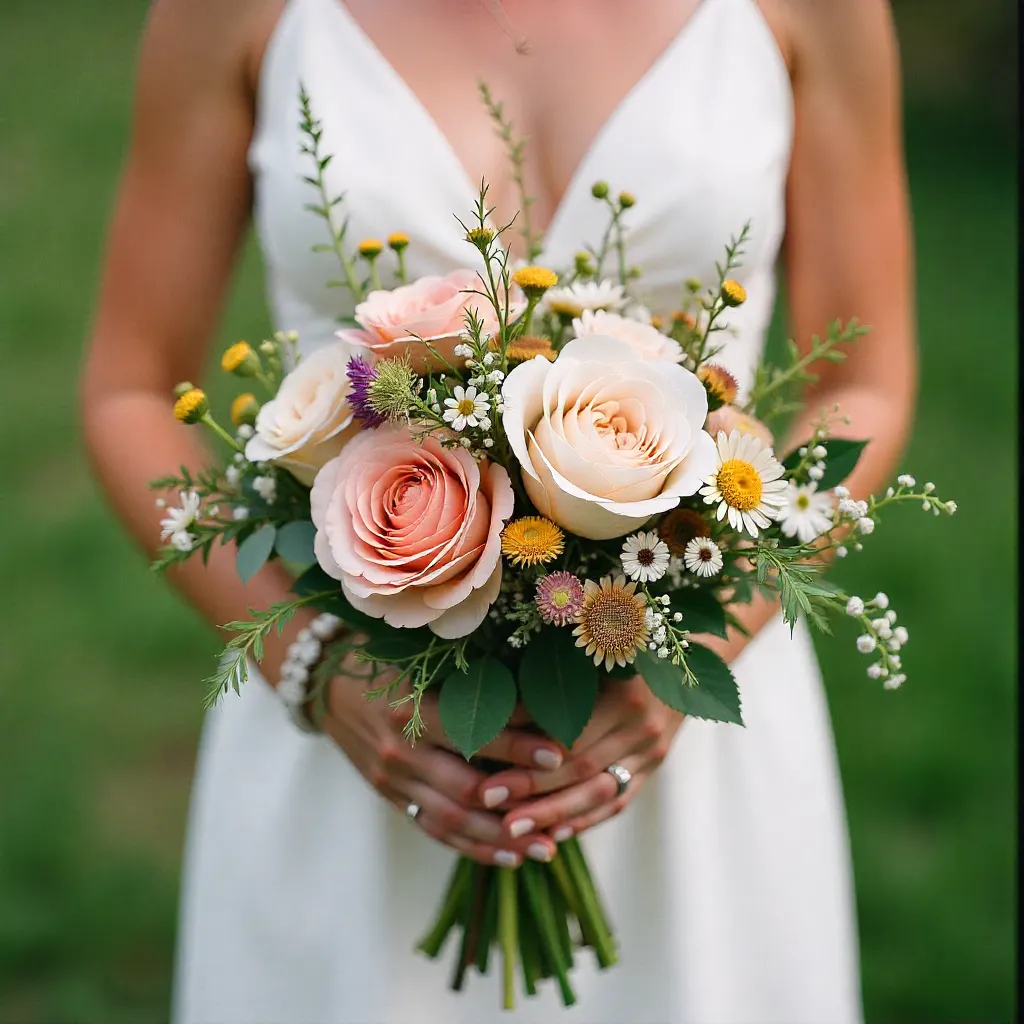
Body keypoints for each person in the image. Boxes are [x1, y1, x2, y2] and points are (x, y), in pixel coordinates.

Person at [80, 0, 915, 1020]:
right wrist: (315, 665)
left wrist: (704, 643)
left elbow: (863, 375)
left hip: (688, 738)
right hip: (359, 736)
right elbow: (129, 388)